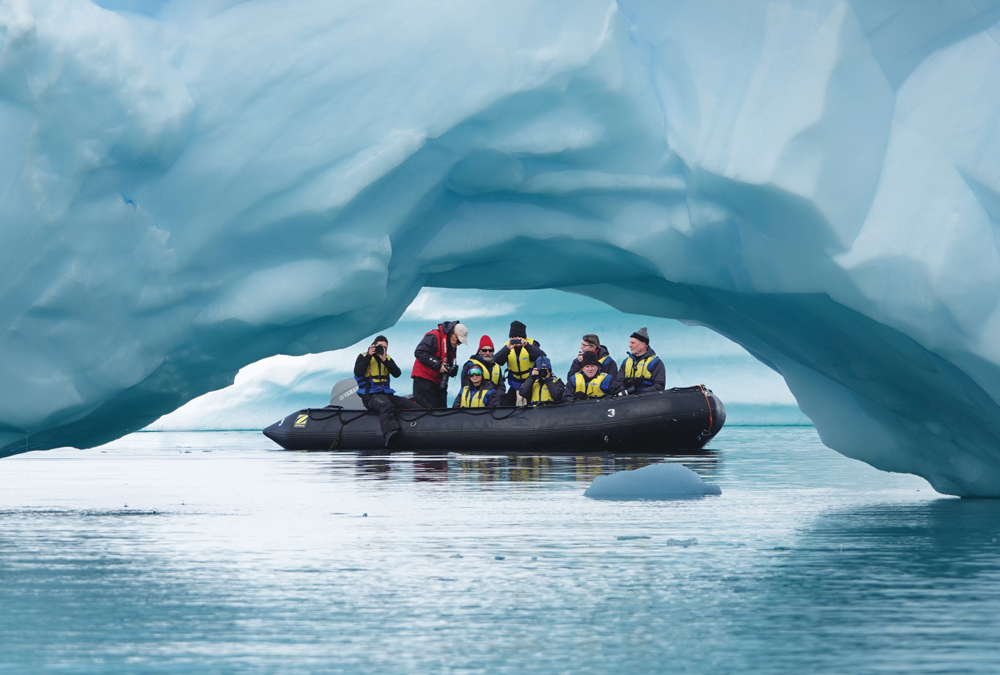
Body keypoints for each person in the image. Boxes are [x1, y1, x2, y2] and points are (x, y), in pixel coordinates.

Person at [354, 336, 420, 446]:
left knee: (415, 407)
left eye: (385, 347)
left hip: (387, 394)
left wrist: (384, 359)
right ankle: (390, 433)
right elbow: (358, 372)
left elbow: (397, 373)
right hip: (371, 396)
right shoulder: (363, 357)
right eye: (380, 347)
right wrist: (369, 357)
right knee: (386, 405)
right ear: (373, 346)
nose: (382, 349)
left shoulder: (387, 359)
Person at [412, 321, 468, 408]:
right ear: (453, 334)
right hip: (424, 380)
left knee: (442, 411)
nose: (459, 344)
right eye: (458, 340)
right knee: (428, 411)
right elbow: (419, 352)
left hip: (439, 383)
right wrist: (438, 365)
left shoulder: (451, 344)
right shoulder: (434, 336)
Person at [493, 321, 546, 406]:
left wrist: (527, 346)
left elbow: (542, 356)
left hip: (530, 383)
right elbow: (497, 360)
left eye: (519, 337)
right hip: (515, 383)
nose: (517, 339)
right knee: (506, 405)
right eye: (514, 337)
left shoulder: (532, 344)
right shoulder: (507, 346)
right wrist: (507, 349)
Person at [614, 327, 666, 394]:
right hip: (628, 400)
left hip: (648, 400)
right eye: (630, 343)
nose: (630, 345)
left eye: (633, 343)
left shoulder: (655, 362)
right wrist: (624, 392)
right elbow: (618, 382)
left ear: (642, 345)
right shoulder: (626, 362)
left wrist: (640, 393)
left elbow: (659, 386)